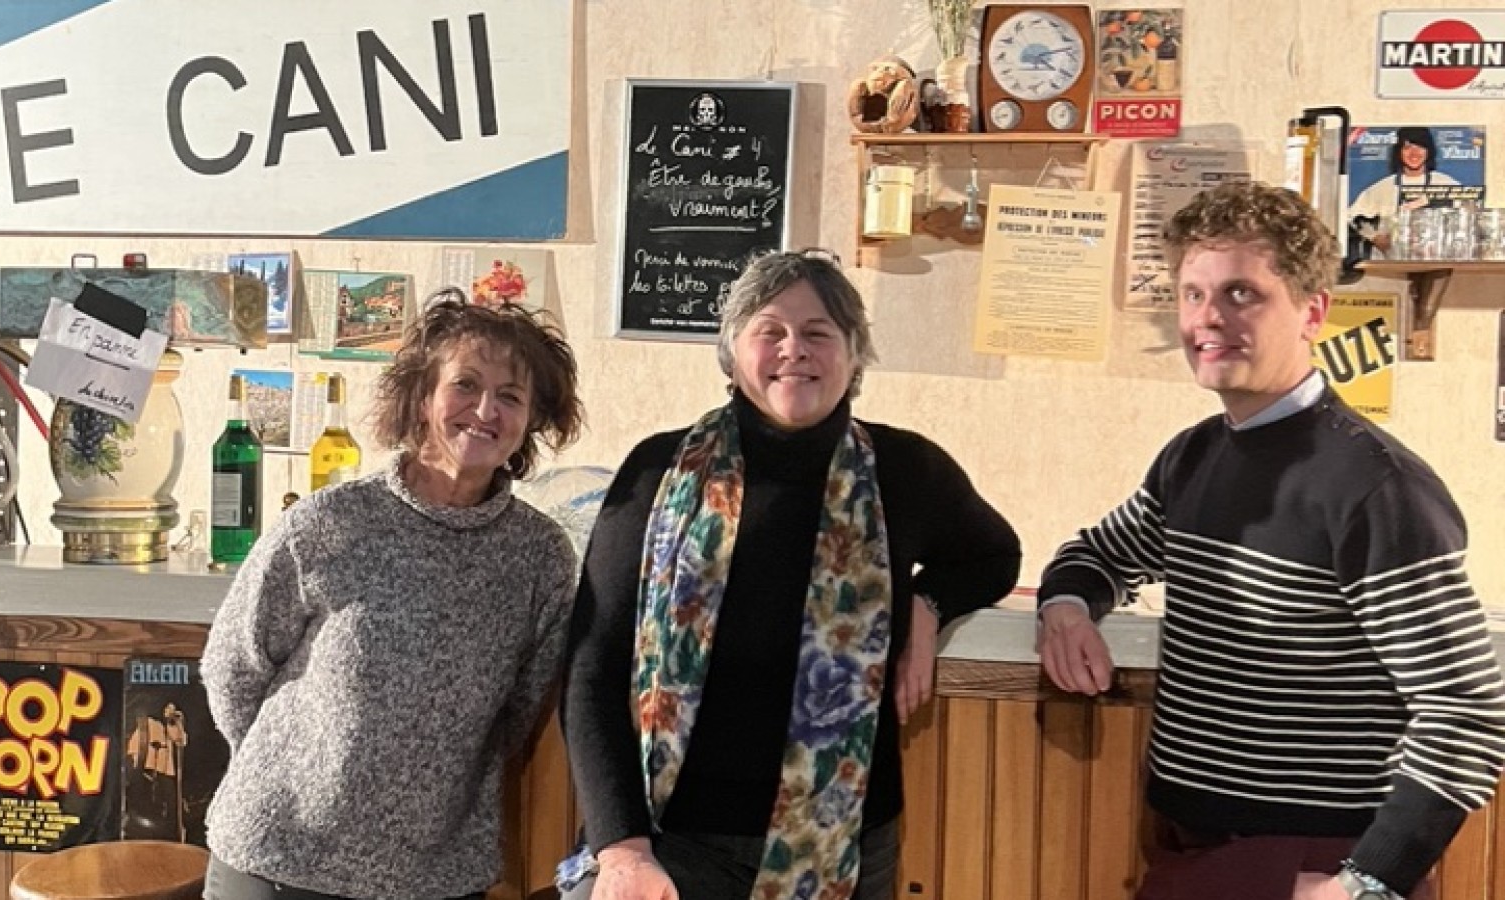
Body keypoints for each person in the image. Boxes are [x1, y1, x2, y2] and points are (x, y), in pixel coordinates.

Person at [1036, 181, 1505, 900]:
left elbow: (1465, 710)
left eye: (1241, 294)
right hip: (1188, 850)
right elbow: (1097, 555)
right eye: (1193, 294)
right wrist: (1066, 609)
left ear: (1312, 311)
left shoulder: (1374, 484)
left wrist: (1367, 883)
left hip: (1318, 864)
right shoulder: (1192, 456)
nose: (1208, 318)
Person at [558, 249, 1021, 900]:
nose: (793, 349)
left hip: (842, 843)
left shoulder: (907, 469)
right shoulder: (658, 471)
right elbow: (591, 668)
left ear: (855, 355)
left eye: (818, 332)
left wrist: (928, 603)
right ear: (732, 352)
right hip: (671, 840)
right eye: (769, 330)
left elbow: (994, 554)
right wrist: (622, 848)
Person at [200, 293, 585, 900]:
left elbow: (517, 718)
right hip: (275, 861)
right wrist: (298, 776)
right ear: (423, 397)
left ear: (532, 420)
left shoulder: (541, 557)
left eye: (510, 396)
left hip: (433, 879)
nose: (485, 410)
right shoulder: (329, 523)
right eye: (465, 384)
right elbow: (232, 665)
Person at [1345, 126, 1461, 256]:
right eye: (1407, 147)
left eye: (1420, 147)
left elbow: (1465, 216)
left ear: (1429, 151)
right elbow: (1351, 216)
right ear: (1399, 152)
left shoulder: (1446, 184)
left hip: (1436, 260)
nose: (1414, 153)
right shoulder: (1384, 187)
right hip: (1391, 263)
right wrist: (1375, 237)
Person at [125, 701, 188, 839]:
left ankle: (171, 831)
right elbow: (136, 744)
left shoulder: (170, 724)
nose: (170, 710)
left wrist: (175, 722)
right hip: (148, 765)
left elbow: (180, 740)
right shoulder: (148, 722)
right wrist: (138, 761)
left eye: (171, 708)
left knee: (170, 798)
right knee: (145, 797)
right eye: (168, 708)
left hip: (165, 768)